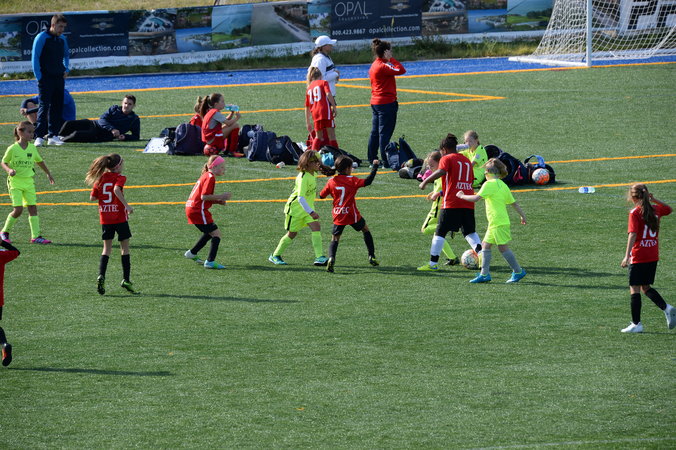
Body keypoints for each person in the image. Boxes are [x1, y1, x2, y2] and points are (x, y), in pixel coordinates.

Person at [417, 133, 482, 271]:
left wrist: (425, 181)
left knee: (440, 232)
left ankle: (433, 264)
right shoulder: (466, 161)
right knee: (469, 232)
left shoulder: (446, 158)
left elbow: (441, 171)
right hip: (468, 202)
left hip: (452, 202)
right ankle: (483, 258)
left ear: (444, 150)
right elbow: (470, 181)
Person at [456, 158, 527, 283]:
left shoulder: (488, 184)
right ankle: (484, 274)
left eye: (485, 172)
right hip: (497, 222)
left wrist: (461, 196)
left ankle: (518, 271)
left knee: (503, 248)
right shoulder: (503, 185)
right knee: (485, 245)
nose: (484, 174)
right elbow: (514, 203)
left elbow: (476, 198)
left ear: (488, 172)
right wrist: (522, 215)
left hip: (497, 222)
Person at [619, 184, 675, 333]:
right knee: (645, 287)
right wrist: (654, 200)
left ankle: (636, 324)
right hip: (652, 254)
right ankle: (666, 308)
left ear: (633, 197)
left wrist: (626, 256)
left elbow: (633, 234)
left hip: (639, 255)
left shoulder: (635, 212)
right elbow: (669, 209)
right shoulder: (656, 209)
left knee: (634, 288)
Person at [86, 153, 138, 294]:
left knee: (106, 249)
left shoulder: (100, 179)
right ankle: (126, 280)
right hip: (119, 218)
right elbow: (116, 190)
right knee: (124, 249)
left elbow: (92, 198)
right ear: (118, 166)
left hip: (105, 218)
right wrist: (127, 206)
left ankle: (101, 275)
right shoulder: (120, 178)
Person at [319, 156, 380, 273]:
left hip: (338, 214)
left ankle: (331, 258)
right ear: (347, 169)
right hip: (352, 214)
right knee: (365, 230)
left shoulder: (331, 181)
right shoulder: (352, 180)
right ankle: (371, 256)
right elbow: (368, 181)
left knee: (335, 238)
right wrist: (375, 166)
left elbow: (321, 196)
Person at [269, 150, 329, 267]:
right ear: (308, 163)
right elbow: (301, 198)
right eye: (316, 161)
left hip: (307, 209)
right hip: (296, 210)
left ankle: (319, 257)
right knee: (292, 234)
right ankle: (275, 255)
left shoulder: (313, 173)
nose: (319, 163)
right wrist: (311, 212)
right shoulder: (303, 178)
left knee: (316, 227)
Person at [1, 121, 55, 245]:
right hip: (15, 183)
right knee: (18, 210)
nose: (32, 135)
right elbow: (3, 162)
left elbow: (39, 161)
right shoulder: (13, 148)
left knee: (32, 208)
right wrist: (9, 170)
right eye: (29, 132)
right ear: (20, 132)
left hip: (29, 182)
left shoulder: (32, 148)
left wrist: (48, 173)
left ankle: (36, 236)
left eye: (33, 132)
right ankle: (4, 232)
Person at [184, 155, 231, 270]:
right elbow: (204, 196)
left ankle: (192, 253)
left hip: (192, 208)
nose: (224, 169)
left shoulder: (205, 175)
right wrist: (221, 196)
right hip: (197, 210)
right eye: (222, 167)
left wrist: (218, 201)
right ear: (214, 167)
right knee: (216, 234)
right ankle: (210, 261)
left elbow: (203, 197)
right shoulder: (210, 177)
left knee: (210, 232)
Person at [31, 14, 69, 147]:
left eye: (64, 27)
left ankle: (53, 135)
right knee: (44, 106)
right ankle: (39, 136)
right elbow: (35, 57)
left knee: (57, 107)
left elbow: (66, 55)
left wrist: (66, 69)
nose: (62, 30)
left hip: (59, 78)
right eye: (60, 26)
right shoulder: (41, 37)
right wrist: (39, 77)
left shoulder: (62, 39)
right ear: (53, 25)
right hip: (45, 78)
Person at [367, 38, 406, 165]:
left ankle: (372, 157)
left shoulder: (375, 64)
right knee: (384, 133)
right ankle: (386, 159)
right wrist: (391, 59)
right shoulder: (383, 65)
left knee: (375, 132)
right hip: (386, 103)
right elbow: (401, 70)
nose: (391, 52)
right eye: (390, 51)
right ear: (385, 52)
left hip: (376, 102)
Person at [420, 150, 459, 266]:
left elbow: (450, 190)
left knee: (425, 229)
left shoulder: (442, 175)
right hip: (442, 207)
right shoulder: (439, 175)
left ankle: (449, 228)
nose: (429, 167)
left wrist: (438, 194)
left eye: (432, 165)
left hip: (437, 209)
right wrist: (434, 192)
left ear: (440, 163)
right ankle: (452, 258)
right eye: (428, 165)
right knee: (437, 235)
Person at [59, 95, 140, 143]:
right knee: (69, 123)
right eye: (125, 103)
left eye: (130, 104)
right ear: (122, 103)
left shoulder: (134, 119)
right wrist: (112, 129)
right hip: (93, 123)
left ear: (134, 106)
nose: (126, 106)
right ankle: (56, 136)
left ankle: (61, 141)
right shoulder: (114, 109)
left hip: (99, 134)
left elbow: (136, 136)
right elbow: (102, 119)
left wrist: (125, 137)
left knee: (76, 134)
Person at [305, 67, 337, 150]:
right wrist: (334, 106)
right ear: (320, 75)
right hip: (325, 111)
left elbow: (307, 107)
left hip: (315, 114)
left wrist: (308, 122)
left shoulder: (309, 88)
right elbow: (328, 94)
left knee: (318, 137)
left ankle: (312, 155)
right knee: (332, 135)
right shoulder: (323, 82)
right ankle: (337, 155)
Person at [0, 240, 19, 367]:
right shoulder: (2, 256)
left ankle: (4, 345)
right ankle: (4, 345)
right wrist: (2, 242)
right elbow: (16, 252)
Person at [308, 35, 340, 99]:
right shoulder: (320, 59)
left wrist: (335, 76)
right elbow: (320, 79)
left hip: (327, 94)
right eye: (329, 44)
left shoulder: (325, 57)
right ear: (324, 46)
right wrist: (336, 74)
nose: (331, 45)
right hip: (324, 95)